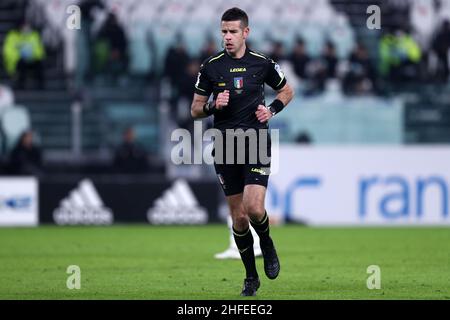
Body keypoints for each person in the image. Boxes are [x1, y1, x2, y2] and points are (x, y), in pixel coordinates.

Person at [190, 7, 294, 296]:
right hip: (224, 146)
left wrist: (271, 109)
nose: (227, 37)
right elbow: (195, 110)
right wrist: (213, 105)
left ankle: (268, 244)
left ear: (245, 32)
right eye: (223, 31)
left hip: (256, 142)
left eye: (233, 31)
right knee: (238, 218)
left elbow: (287, 91)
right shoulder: (210, 67)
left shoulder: (262, 63)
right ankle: (251, 277)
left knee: (254, 207)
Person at [2, 20, 45, 89]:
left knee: (39, 63)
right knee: (22, 64)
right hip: (18, 61)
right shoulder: (12, 36)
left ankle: (41, 86)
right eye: (24, 26)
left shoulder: (34, 35)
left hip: (32, 60)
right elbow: (7, 51)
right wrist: (19, 55)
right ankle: (21, 85)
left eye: (27, 26)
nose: (26, 28)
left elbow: (40, 51)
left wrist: (31, 55)